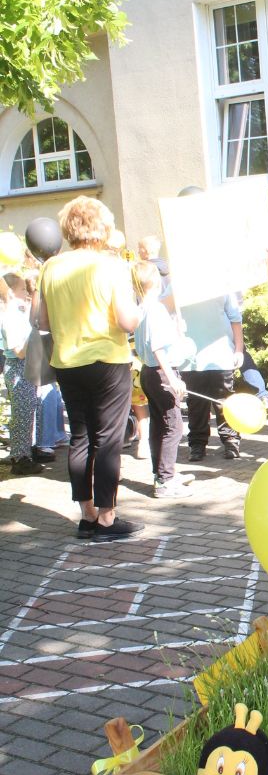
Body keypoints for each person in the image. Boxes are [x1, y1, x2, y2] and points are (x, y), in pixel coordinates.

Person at [38, 196, 142, 539]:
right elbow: (127, 321)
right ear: (102, 227)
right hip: (107, 360)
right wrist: (140, 313)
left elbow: (43, 320)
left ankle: (87, 515)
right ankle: (108, 519)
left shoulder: (51, 267)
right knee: (109, 440)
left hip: (68, 362)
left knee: (80, 437)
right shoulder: (110, 265)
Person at [133, 261, 193, 498]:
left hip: (149, 372)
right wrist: (172, 378)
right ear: (156, 281)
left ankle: (162, 473)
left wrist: (177, 331)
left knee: (159, 424)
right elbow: (158, 348)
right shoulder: (155, 309)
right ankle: (165, 480)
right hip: (160, 371)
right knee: (173, 426)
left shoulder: (142, 309)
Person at [180, 293, 245, 461]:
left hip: (221, 353)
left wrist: (238, 349)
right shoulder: (178, 284)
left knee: (225, 401)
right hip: (191, 356)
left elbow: (235, 318)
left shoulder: (222, 285)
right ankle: (197, 444)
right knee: (195, 403)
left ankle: (231, 439)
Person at [0, 272, 39, 475]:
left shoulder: (17, 313)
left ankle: (24, 452)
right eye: (23, 289)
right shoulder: (10, 316)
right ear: (12, 292)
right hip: (18, 367)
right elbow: (18, 350)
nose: (26, 293)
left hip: (24, 367)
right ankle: (20, 456)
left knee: (27, 410)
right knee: (22, 413)